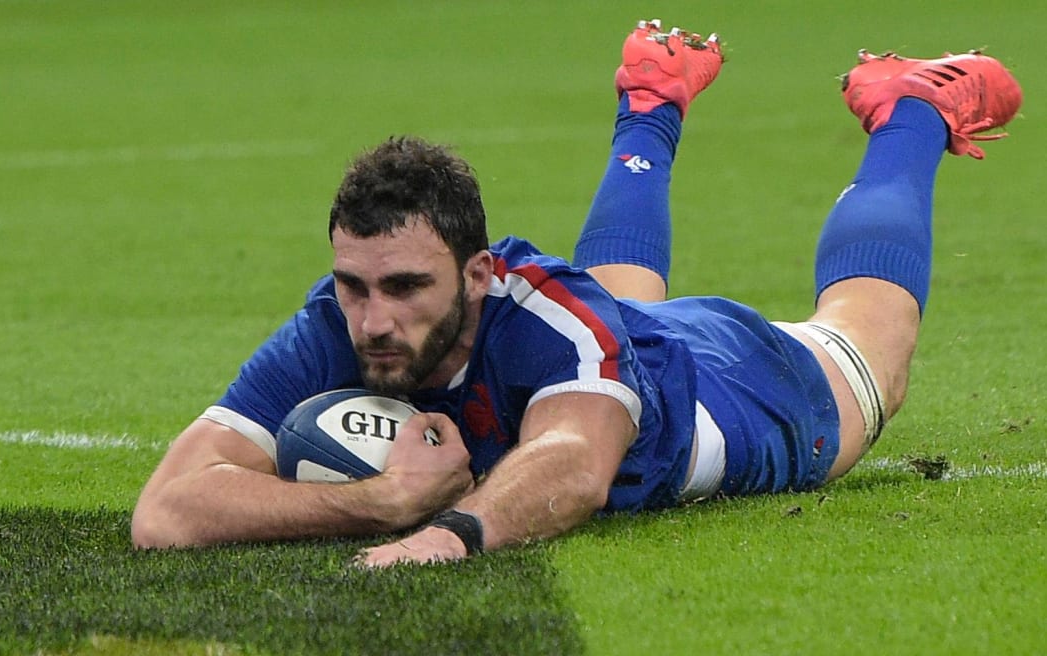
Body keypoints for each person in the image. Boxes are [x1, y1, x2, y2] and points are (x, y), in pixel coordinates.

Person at [131, 19, 1023, 566]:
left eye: (406, 287)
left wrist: (446, 532)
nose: (375, 319)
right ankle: (654, 93)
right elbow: (166, 510)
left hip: (731, 388)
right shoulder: (338, 321)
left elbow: (576, 470)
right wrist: (372, 503)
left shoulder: (546, 316)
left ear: (478, 275)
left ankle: (911, 110)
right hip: (619, 335)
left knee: (871, 344)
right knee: (608, 311)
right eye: (354, 285)